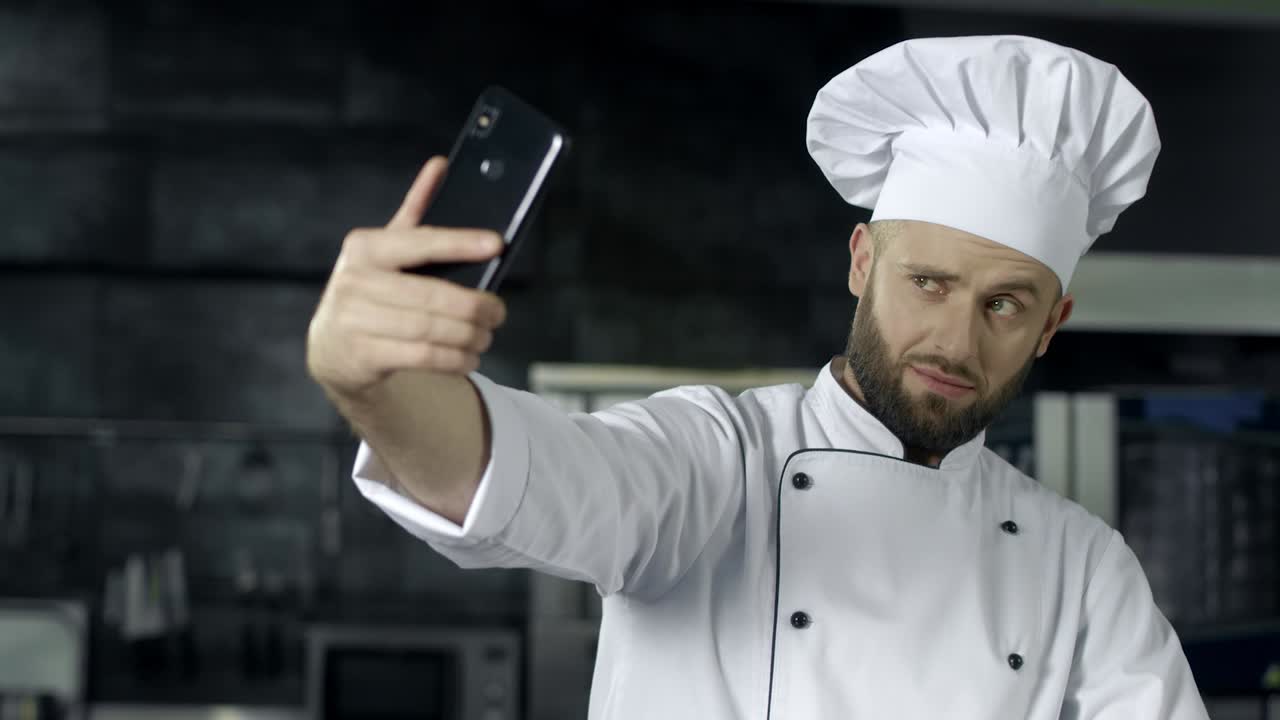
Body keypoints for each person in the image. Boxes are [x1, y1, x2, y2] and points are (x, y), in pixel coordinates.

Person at [307, 35, 1209, 719]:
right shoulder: (715, 463)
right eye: (926, 282)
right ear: (861, 262)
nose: (954, 340)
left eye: (1005, 305)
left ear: (1052, 324)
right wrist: (377, 385)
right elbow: (518, 478)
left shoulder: (1082, 568)